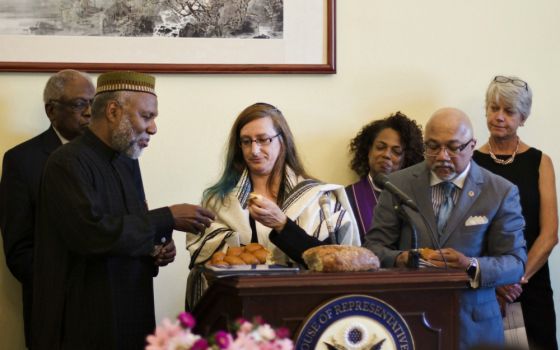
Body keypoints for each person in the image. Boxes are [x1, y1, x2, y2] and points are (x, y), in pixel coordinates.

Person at [32, 71, 215, 350]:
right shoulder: (66, 162)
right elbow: (90, 234)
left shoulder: (128, 161)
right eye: (146, 116)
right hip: (85, 321)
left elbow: (134, 225)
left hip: (132, 314)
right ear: (113, 111)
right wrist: (167, 217)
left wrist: (156, 248)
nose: (153, 128)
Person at [364, 107, 527, 350]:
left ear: (472, 146)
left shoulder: (500, 191)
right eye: (432, 146)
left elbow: (515, 262)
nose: (442, 156)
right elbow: (373, 250)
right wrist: (404, 259)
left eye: (453, 147)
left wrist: (471, 265)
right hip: (408, 320)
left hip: (475, 327)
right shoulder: (398, 185)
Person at [186, 102, 360, 308]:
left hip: (301, 309)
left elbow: (336, 263)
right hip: (238, 313)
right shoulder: (218, 200)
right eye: (246, 141)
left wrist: (283, 225)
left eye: (263, 140)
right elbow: (203, 265)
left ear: (282, 141)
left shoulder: (319, 198)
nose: (254, 150)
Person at [0, 69, 95, 348]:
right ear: (51, 110)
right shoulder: (22, 160)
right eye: (80, 104)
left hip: (105, 305)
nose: (90, 112)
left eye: (94, 103)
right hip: (53, 311)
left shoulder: (113, 156)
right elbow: (19, 250)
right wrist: (65, 285)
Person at [473, 75, 558, 350]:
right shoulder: (471, 163)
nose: (499, 117)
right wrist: (495, 281)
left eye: (508, 111)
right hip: (484, 289)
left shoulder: (540, 162)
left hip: (531, 284)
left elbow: (549, 235)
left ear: (523, 117)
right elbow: (465, 232)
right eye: (493, 108)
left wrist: (515, 279)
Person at [346, 112, 423, 239]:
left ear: (406, 159)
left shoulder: (414, 198)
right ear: (368, 150)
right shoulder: (348, 196)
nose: (386, 154)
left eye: (396, 151)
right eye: (380, 147)